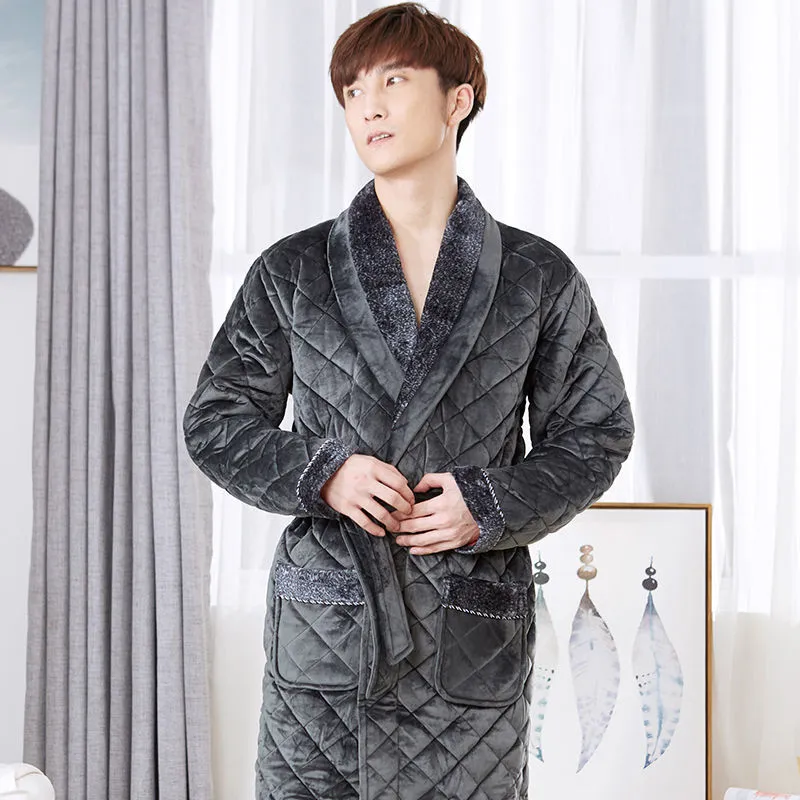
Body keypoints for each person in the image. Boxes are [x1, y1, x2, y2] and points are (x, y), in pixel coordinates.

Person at [182, 3, 635, 798]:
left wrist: (488, 504)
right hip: (331, 633)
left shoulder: (536, 276)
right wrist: (326, 474)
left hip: (467, 630)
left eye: (394, 81)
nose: (370, 107)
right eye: (354, 91)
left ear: (458, 100)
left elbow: (594, 433)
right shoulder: (293, 270)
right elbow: (215, 422)